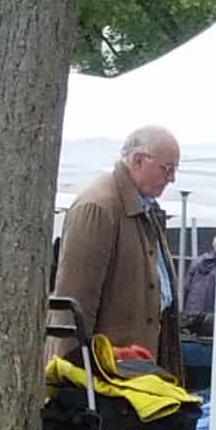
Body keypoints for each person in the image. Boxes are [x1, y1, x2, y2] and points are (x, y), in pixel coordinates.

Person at [52, 125, 183, 381]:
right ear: (137, 160)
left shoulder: (144, 208)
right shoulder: (99, 207)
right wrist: (76, 376)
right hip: (110, 374)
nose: (172, 178)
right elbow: (75, 302)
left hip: (134, 369)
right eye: (167, 168)